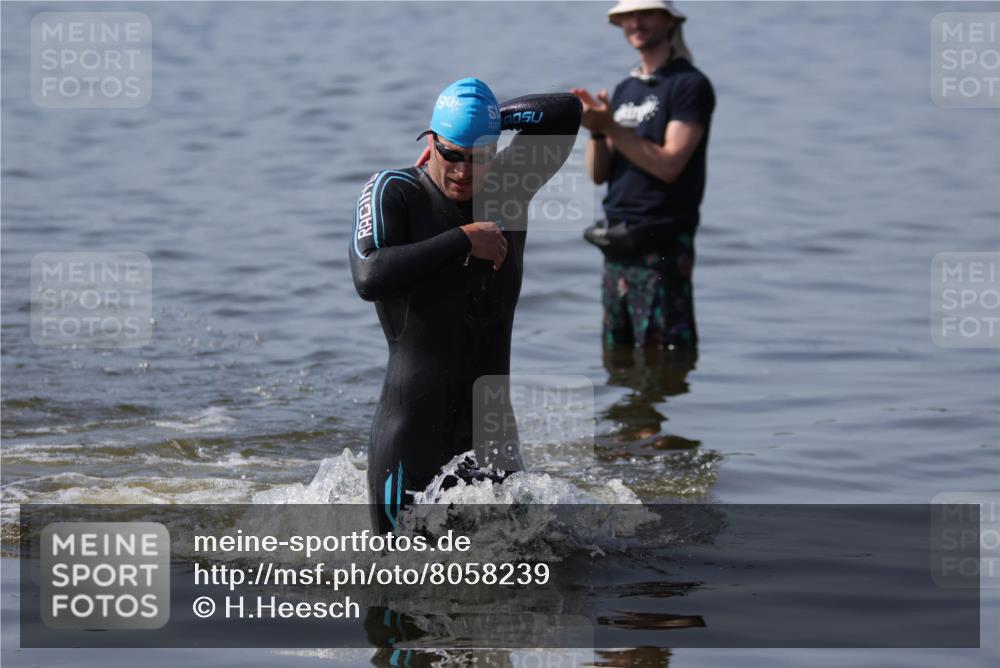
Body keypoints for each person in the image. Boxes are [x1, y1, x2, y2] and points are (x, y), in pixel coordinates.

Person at [350, 78, 581, 533]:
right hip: (411, 438)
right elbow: (369, 276)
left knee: (514, 583)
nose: (462, 171)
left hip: (492, 435)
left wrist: (491, 119)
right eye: (451, 153)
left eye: (478, 158)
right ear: (429, 141)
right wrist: (463, 240)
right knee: (402, 587)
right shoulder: (395, 191)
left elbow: (565, 113)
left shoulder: (509, 188)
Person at [572, 0, 715, 350]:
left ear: (668, 21)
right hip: (617, 244)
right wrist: (595, 130)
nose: (635, 22)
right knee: (615, 357)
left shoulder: (688, 85)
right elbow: (599, 174)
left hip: (663, 244)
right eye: (628, 16)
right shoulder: (625, 90)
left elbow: (669, 166)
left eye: (646, 12)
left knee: (664, 357)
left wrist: (611, 126)